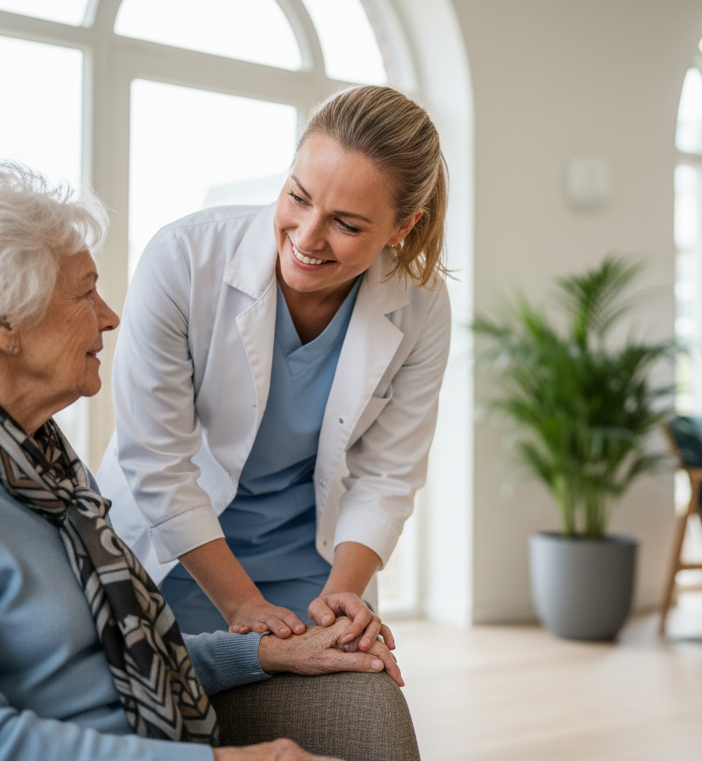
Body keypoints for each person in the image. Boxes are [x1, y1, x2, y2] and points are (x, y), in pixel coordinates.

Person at [0, 159, 401, 761]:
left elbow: (113, 656)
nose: (110, 316)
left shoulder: (42, 469)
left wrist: (266, 653)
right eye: (84, 291)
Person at [98, 85, 451, 651]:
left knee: (344, 711)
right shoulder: (183, 258)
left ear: (401, 228)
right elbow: (156, 457)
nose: (307, 237)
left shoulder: (421, 303)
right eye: (299, 197)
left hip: (309, 564)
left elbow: (388, 473)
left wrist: (343, 596)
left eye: (348, 225)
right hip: (175, 546)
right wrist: (243, 605)